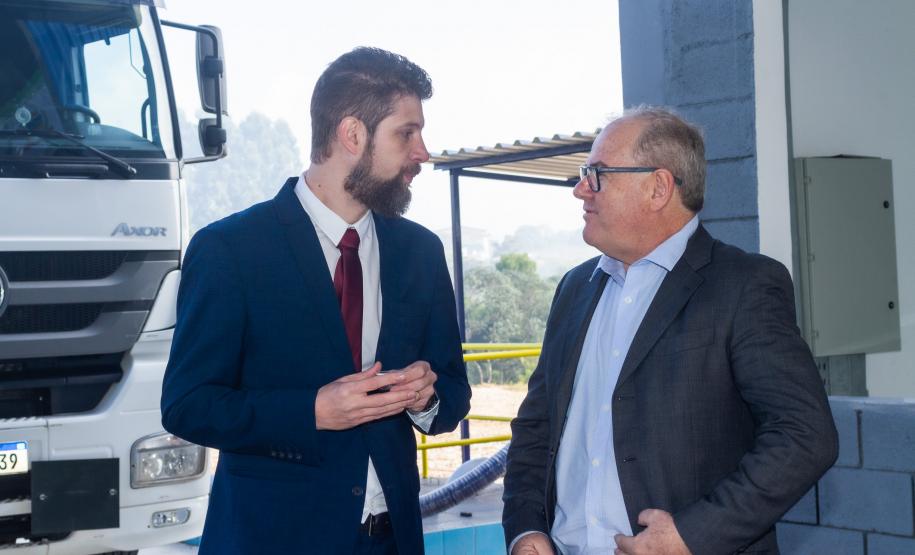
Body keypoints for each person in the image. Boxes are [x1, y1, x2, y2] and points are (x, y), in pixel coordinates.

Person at [161, 47, 471, 555]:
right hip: (271, 542)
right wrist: (311, 411)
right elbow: (187, 406)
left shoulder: (421, 252)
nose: (423, 152)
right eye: (406, 133)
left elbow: (453, 393)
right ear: (352, 134)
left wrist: (425, 399)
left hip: (392, 542)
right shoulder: (230, 250)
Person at [502, 106, 838, 555]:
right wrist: (526, 530)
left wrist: (691, 536)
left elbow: (805, 436)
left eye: (597, 174)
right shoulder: (574, 288)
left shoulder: (744, 285)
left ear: (658, 187)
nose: (580, 189)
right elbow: (536, 427)